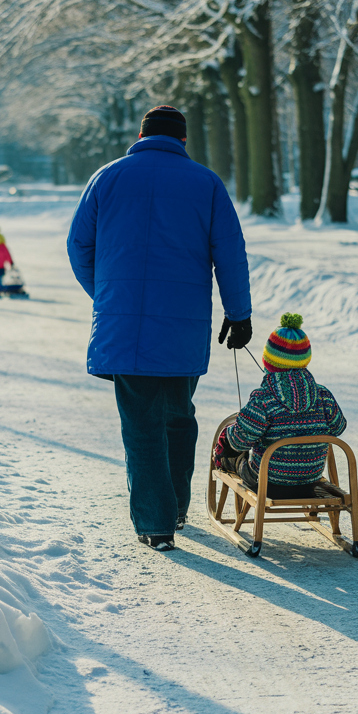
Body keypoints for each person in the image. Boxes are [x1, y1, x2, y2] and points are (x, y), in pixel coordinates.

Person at [67, 104, 252, 552]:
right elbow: (230, 252)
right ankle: (176, 508)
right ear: (183, 140)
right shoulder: (206, 183)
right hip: (183, 326)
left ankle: (156, 524)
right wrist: (239, 313)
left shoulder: (106, 177)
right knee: (178, 416)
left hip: (124, 325)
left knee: (141, 424)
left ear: (140, 135)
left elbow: (78, 246)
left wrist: (109, 296)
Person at [214, 314, 347, 497]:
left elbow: (240, 439)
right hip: (310, 481)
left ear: (267, 361)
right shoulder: (323, 395)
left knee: (234, 457)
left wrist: (228, 434)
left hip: (267, 482)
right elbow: (339, 427)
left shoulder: (263, 399)